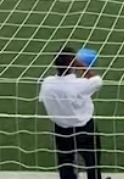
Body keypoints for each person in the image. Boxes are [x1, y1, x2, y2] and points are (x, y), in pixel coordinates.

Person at [39, 47, 106, 179]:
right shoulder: (79, 84)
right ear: (73, 63)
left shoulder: (47, 83)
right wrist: (83, 67)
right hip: (84, 129)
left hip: (61, 129)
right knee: (92, 161)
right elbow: (97, 81)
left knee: (65, 163)